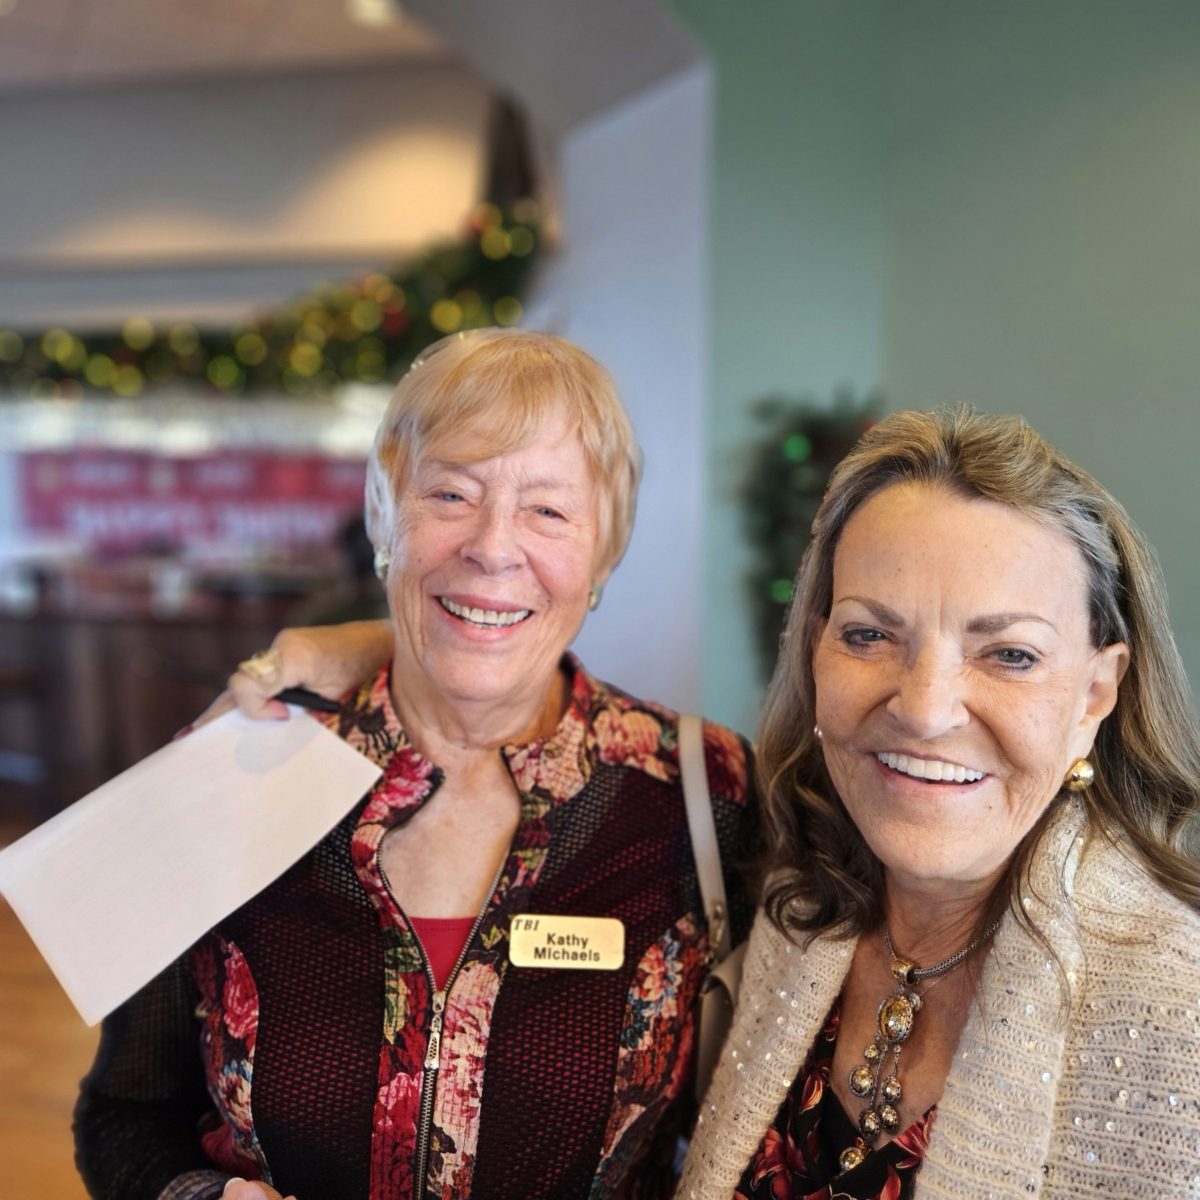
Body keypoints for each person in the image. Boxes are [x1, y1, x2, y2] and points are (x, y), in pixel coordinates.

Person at [73, 330, 758, 1200]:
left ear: (604, 555)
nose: (493, 547)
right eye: (450, 494)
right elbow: (125, 1114)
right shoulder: (233, 773)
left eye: (548, 511)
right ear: (383, 516)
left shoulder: (702, 792)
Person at [676, 408, 1200, 1199]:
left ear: (1096, 693)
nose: (924, 711)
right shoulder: (796, 910)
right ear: (816, 650)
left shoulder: (1177, 1012)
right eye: (868, 636)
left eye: (1009, 654)